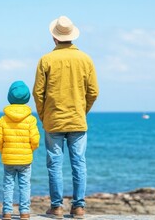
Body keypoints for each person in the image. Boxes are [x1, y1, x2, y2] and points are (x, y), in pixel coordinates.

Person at [33, 16, 99, 219]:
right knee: (79, 163)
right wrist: (82, 111)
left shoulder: (46, 60)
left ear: (54, 37)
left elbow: (38, 93)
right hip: (78, 120)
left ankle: (57, 207)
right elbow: (93, 92)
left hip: (53, 120)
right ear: (72, 37)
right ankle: (78, 207)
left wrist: (45, 116)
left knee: (54, 164)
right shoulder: (85, 59)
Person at [0, 81, 40, 220]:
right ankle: (24, 213)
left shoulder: (3, 119)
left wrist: (4, 151)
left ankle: (7, 212)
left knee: (8, 185)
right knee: (25, 185)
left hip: (8, 158)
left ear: (10, 97)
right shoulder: (31, 119)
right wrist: (30, 150)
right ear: (27, 98)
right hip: (25, 159)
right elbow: (35, 140)